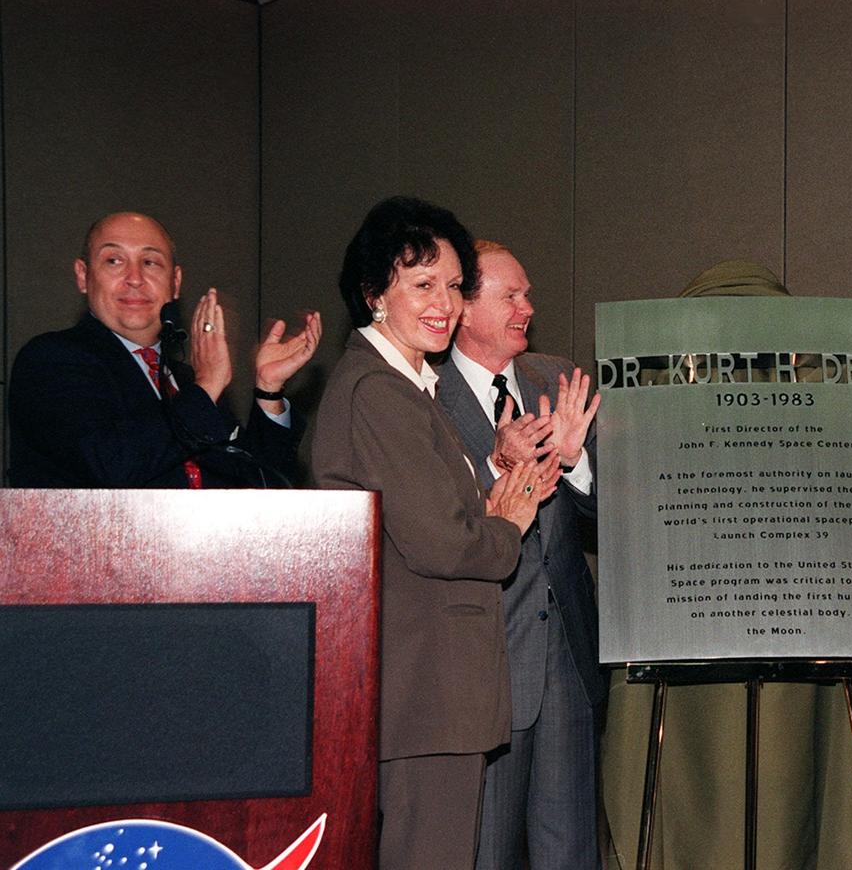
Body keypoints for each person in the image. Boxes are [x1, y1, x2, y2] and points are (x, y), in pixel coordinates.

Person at [600, 260, 852, 870]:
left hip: (686, 638)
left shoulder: (652, 404)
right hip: (810, 639)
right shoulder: (833, 402)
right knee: (809, 800)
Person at [310, 198, 559, 870]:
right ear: (373, 295)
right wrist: (507, 520)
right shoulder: (378, 392)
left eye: (453, 286)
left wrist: (503, 480)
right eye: (422, 285)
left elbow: (429, 519)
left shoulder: (406, 385)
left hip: (430, 692)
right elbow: (445, 543)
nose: (443, 303)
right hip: (425, 694)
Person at [434, 240, 605, 870]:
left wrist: (576, 461)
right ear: (466, 309)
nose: (527, 307)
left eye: (527, 292)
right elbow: (433, 527)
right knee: (485, 852)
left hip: (565, 658)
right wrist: (497, 469)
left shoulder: (553, 380)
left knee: (571, 852)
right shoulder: (423, 396)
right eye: (510, 295)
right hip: (484, 665)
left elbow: (608, 517)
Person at [7, 211, 320, 488]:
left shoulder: (184, 381)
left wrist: (268, 391)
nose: (134, 279)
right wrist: (207, 386)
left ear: (176, 282)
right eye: (114, 261)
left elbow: (263, 488)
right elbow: (112, 467)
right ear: (82, 276)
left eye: (150, 262)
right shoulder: (50, 360)